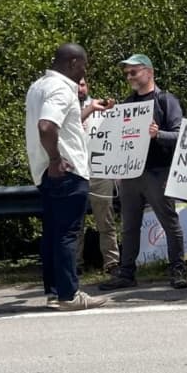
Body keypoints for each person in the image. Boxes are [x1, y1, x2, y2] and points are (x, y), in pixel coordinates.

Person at [25, 43, 108, 311]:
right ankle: (69, 295)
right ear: (73, 62)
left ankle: (54, 292)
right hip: (66, 170)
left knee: (52, 233)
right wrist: (55, 159)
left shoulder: (38, 86)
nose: (85, 70)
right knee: (68, 234)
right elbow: (47, 126)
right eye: (83, 65)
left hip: (44, 172)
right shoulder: (61, 88)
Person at [99, 54, 187, 291]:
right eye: (126, 73)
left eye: (134, 72)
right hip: (130, 174)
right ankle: (126, 273)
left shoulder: (165, 100)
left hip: (158, 172)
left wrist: (158, 134)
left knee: (169, 222)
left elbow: (180, 135)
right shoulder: (127, 104)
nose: (129, 77)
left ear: (149, 72)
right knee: (129, 226)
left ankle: (178, 270)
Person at [76, 78, 120, 277]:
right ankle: (75, 263)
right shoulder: (66, 109)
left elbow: (117, 131)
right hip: (75, 171)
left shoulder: (102, 108)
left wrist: (114, 110)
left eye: (83, 84)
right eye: (76, 85)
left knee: (106, 220)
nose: (80, 88)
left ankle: (111, 262)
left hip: (99, 170)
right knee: (75, 222)